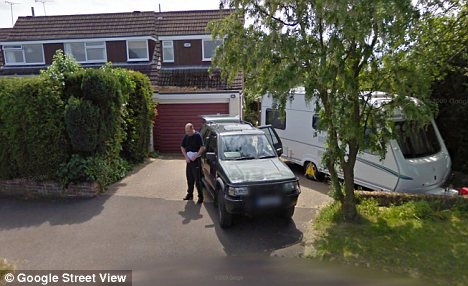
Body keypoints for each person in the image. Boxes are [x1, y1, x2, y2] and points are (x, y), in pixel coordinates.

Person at [180, 123, 205, 203]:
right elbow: (182, 147)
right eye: (186, 131)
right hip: (189, 161)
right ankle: (190, 194)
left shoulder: (197, 136)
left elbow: (202, 147)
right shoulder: (186, 137)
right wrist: (186, 157)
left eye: (188, 131)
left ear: (192, 129)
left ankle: (200, 197)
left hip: (196, 160)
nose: (187, 133)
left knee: (197, 180)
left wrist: (196, 155)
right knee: (189, 178)